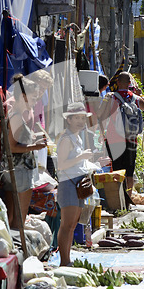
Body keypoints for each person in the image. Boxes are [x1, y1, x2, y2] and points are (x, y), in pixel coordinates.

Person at [1, 76, 47, 226]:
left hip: (17, 170)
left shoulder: (17, 114)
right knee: (19, 216)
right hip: (20, 171)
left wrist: (33, 137)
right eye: (33, 98)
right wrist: (36, 146)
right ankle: (18, 245)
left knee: (14, 215)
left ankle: (15, 244)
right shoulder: (15, 116)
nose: (35, 102)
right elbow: (12, 146)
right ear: (23, 96)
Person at [102, 72, 144, 196]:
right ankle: (128, 200)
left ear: (118, 83)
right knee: (129, 172)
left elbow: (101, 115)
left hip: (114, 140)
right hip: (131, 140)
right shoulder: (135, 98)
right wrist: (141, 95)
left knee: (117, 171)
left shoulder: (111, 97)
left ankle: (118, 200)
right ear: (129, 84)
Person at [56, 102, 93, 266]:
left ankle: (67, 260)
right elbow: (61, 165)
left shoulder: (76, 137)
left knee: (72, 225)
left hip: (77, 183)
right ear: (69, 120)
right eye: (77, 118)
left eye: (82, 118)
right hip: (69, 184)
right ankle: (64, 261)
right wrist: (82, 157)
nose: (80, 121)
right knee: (67, 225)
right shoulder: (66, 138)